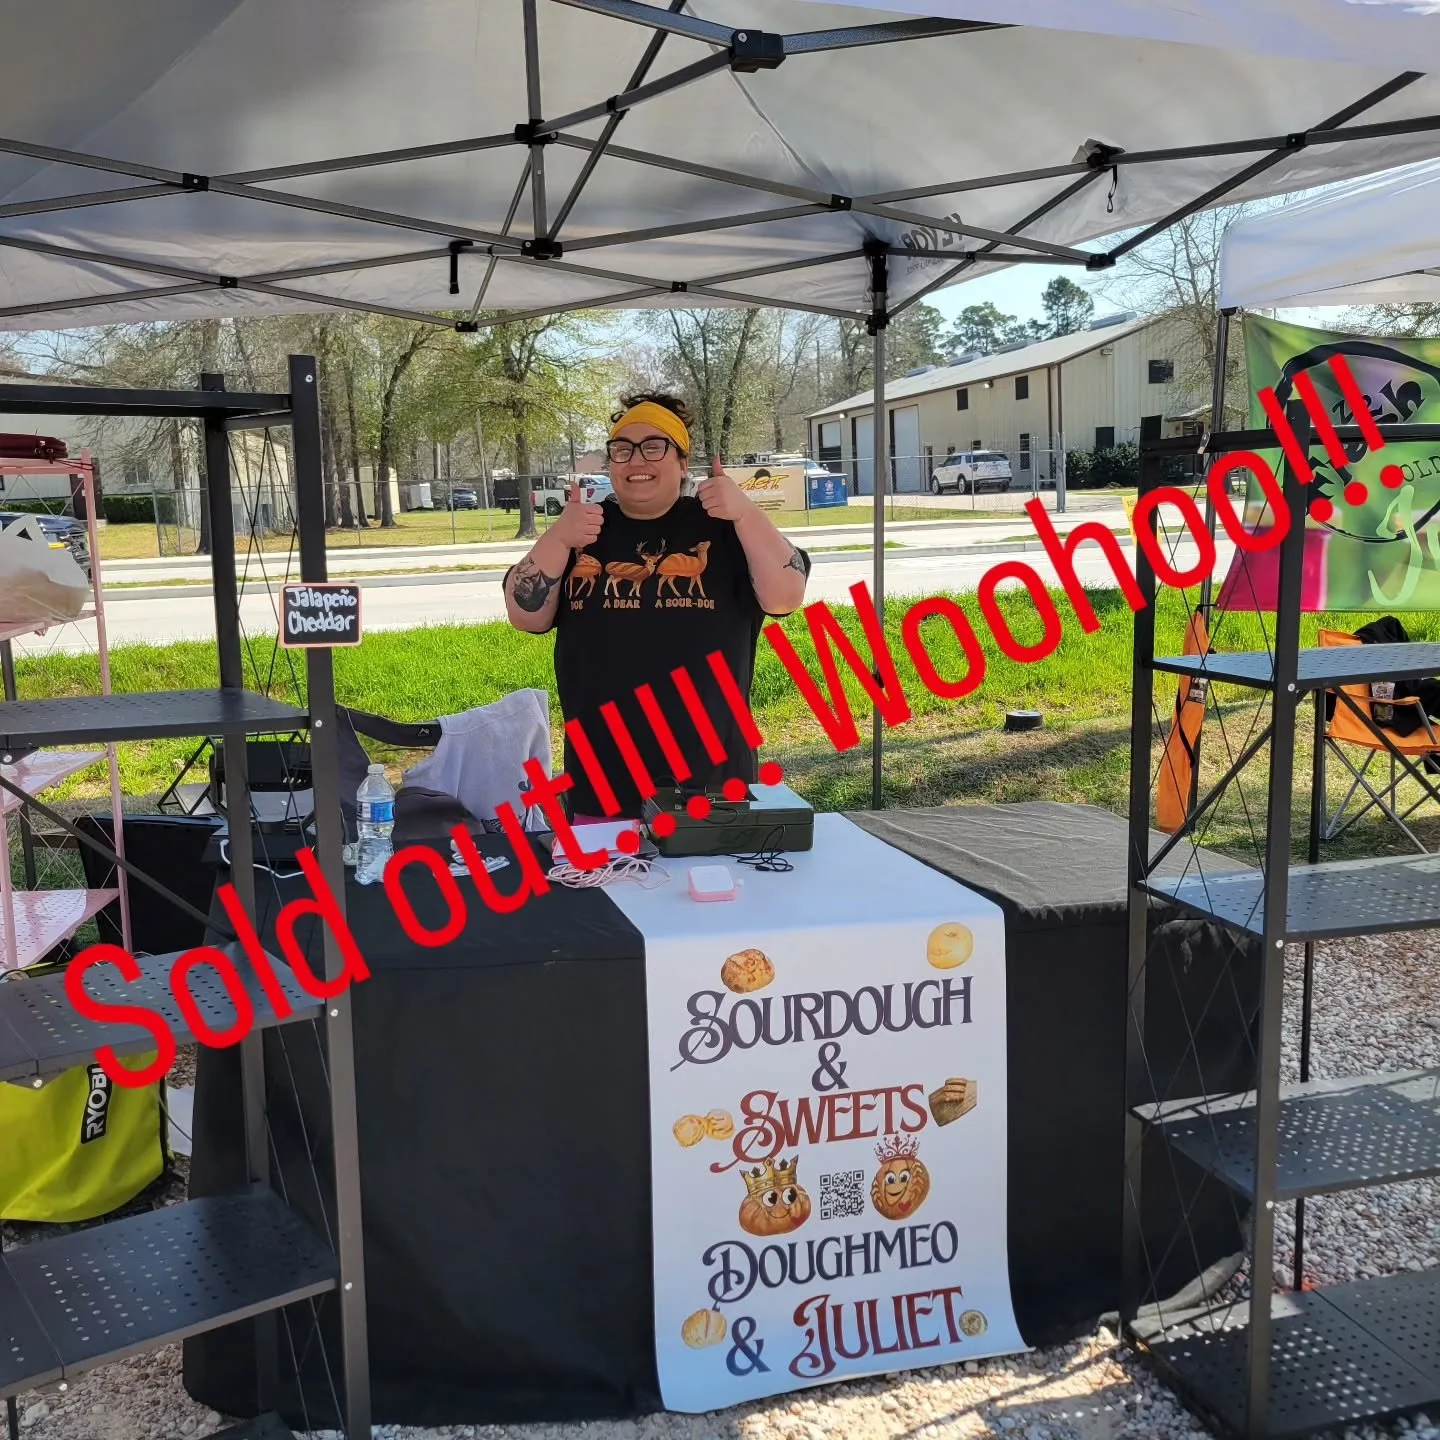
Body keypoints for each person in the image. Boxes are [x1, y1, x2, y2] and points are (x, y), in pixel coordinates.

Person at [503, 392, 811, 820]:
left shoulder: (726, 529)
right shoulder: (582, 531)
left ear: (682, 463)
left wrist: (745, 512)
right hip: (602, 784)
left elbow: (785, 597)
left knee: (714, 868)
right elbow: (525, 616)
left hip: (713, 783)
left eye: (654, 446)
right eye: (622, 449)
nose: (636, 460)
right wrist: (558, 537)